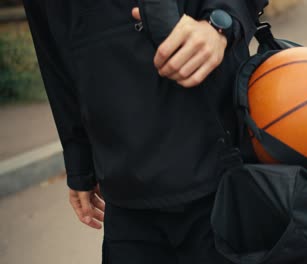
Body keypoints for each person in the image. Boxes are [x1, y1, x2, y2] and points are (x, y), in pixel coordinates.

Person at [23, 0, 267, 263]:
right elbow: (52, 53)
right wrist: (78, 162)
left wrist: (219, 25)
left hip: (221, 167)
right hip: (126, 192)